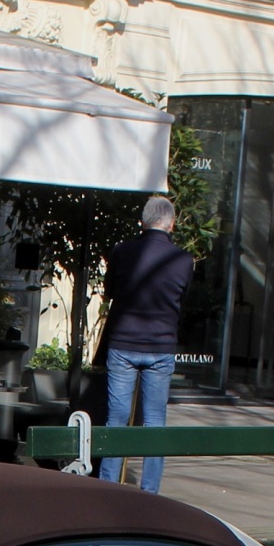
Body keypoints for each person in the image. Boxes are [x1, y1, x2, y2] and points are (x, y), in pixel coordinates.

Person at [94, 196, 195, 493]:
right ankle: (150, 493)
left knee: (117, 418)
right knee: (155, 423)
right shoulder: (183, 260)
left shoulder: (123, 251)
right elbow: (182, 299)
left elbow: (109, 291)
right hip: (161, 347)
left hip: (123, 343)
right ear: (171, 224)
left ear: (142, 221)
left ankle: (108, 486)